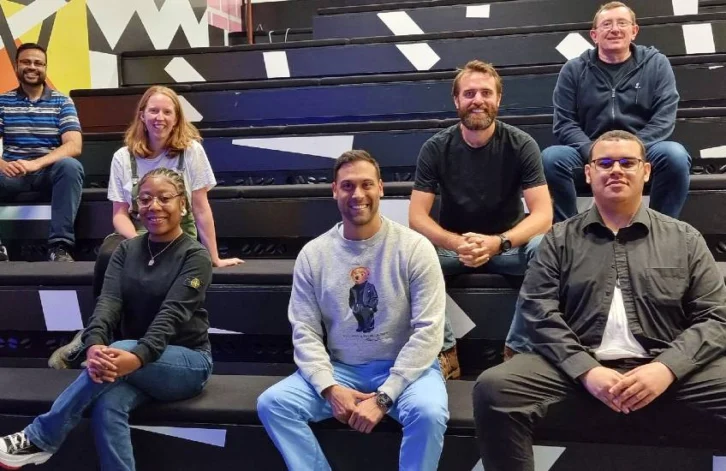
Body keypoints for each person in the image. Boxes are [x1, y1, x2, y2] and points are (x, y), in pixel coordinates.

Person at [472, 130, 726, 471]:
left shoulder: (685, 239)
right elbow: (537, 311)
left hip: (663, 365)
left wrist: (666, 368)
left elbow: (716, 316)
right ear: (589, 173)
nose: (616, 170)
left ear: (646, 171)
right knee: (494, 388)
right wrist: (586, 369)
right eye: (605, 163)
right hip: (577, 369)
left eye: (627, 162)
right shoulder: (558, 239)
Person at [0, 168, 214, 471]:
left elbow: (172, 316)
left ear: (183, 204)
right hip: (130, 361)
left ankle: (40, 437)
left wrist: (137, 356)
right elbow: (108, 303)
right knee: (107, 404)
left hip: (186, 363)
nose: (154, 206)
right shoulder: (126, 249)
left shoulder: (195, 255)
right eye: (145, 199)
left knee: (121, 347)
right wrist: (94, 345)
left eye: (164, 198)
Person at [257, 150, 448, 471]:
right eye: (347, 186)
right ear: (334, 190)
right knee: (274, 404)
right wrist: (329, 388)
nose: (357, 194)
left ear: (381, 188)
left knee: (428, 413)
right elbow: (305, 330)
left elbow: (429, 332)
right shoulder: (314, 255)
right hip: (342, 369)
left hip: (406, 369)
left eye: (366, 184)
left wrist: (385, 397)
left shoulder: (415, 248)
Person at [47, 85, 242, 370]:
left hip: (177, 233)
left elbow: (200, 207)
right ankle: (95, 335)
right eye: (153, 110)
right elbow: (119, 215)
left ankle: (127, 344)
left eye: (167, 112)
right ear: (142, 115)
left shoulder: (191, 152)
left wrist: (214, 256)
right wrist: (139, 242)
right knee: (109, 254)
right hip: (136, 230)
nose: (160, 117)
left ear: (176, 118)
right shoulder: (123, 156)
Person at [409, 60, 553, 379]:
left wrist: (498, 243)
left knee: (546, 246)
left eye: (486, 93)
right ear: (456, 100)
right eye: (469, 93)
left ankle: (517, 349)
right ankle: (445, 351)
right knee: (410, 251)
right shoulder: (436, 147)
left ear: (498, 99)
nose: (478, 100)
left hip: (507, 248)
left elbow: (543, 214)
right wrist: (455, 243)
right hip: (454, 249)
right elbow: (417, 216)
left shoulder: (521, 144)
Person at [543, 1, 691, 222]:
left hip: (642, 149)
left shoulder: (657, 64)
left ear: (634, 31)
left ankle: (661, 228)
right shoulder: (573, 69)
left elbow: (664, 119)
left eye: (622, 23)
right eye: (607, 24)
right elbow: (565, 122)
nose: (615, 29)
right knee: (552, 158)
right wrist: (594, 150)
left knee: (675, 156)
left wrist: (631, 150)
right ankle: (568, 230)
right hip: (590, 151)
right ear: (594, 35)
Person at [0, 42, 84, 261]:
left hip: (48, 172)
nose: (32, 67)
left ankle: (59, 247)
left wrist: (35, 164)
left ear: (45, 68)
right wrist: (4, 165)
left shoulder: (62, 101)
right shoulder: (2, 101)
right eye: (26, 62)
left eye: (38, 63)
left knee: (70, 166)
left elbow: (74, 145)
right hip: (12, 175)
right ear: (16, 66)